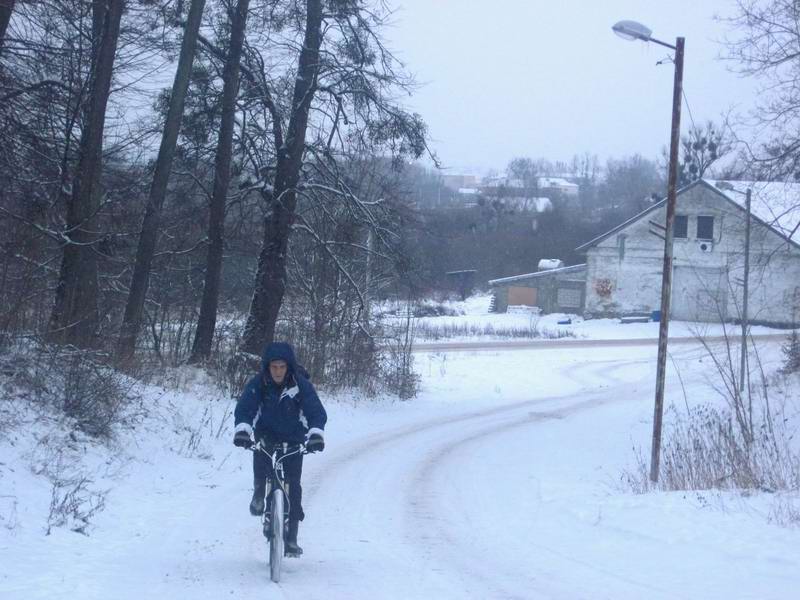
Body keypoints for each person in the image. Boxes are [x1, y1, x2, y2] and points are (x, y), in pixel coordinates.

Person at [233, 341, 327, 556]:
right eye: (274, 367)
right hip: (266, 433)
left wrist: (315, 434)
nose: (277, 371)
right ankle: (259, 494)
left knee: (294, 485)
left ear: (289, 367)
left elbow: (314, 412)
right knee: (261, 454)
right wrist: (243, 430)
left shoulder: (300, 385)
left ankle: (291, 537)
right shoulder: (259, 384)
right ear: (267, 367)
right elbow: (246, 408)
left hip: (293, 437)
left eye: (282, 367)